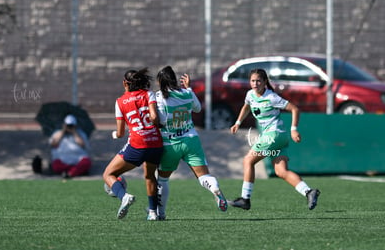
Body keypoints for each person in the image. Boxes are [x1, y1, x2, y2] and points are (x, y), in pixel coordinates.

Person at [228, 68, 320, 210]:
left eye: (258, 80)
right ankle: (309, 192)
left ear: (265, 82)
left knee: (248, 161)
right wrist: (238, 123)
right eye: (252, 80)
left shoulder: (271, 97)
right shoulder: (250, 94)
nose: (255, 83)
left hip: (274, 135)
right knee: (281, 172)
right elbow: (246, 107)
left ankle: (245, 199)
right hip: (279, 138)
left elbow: (294, 109)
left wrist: (294, 129)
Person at [154, 65, 227, 220]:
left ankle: (161, 213)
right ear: (174, 79)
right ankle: (214, 189)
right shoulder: (186, 93)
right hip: (191, 140)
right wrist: (189, 88)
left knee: (162, 179)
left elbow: (159, 120)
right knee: (203, 176)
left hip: (170, 143)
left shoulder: (160, 97)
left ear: (160, 81)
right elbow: (198, 108)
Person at [102, 68, 163, 220]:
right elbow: (155, 118)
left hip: (138, 145)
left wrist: (115, 134)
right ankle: (153, 213)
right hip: (156, 143)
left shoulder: (120, 102)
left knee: (108, 174)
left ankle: (124, 196)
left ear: (125, 83)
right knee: (150, 176)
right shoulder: (149, 94)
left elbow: (121, 132)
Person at [49, 114, 92, 178]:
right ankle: (74, 171)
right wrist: (63, 131)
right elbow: (53, 144)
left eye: (71, 125)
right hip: (62, 158)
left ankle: (70, 173)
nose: (69, 127)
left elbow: (82, 144)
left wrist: (74, 132)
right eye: (68, 125)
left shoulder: (80, 133)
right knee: (56, 165)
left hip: (78, 158)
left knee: (86, 163)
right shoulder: (57, 133)